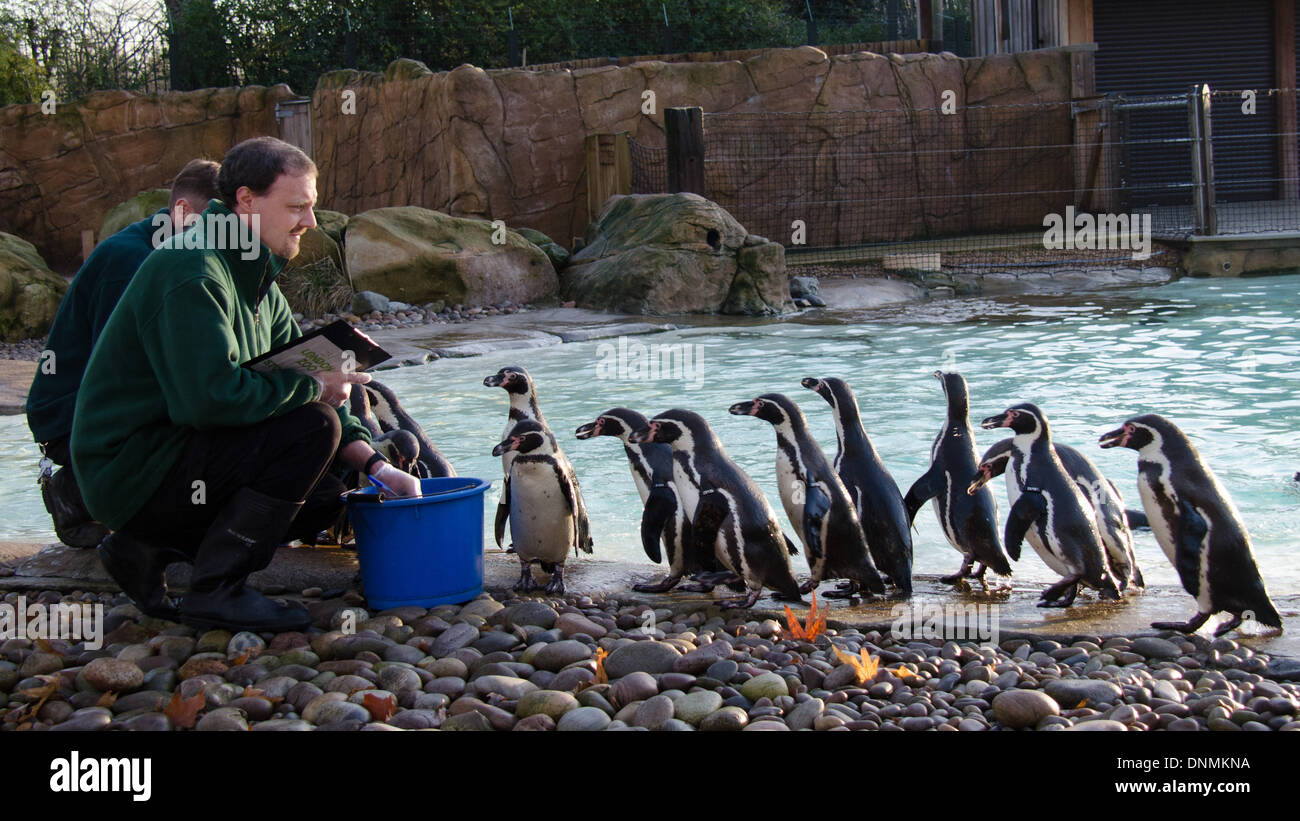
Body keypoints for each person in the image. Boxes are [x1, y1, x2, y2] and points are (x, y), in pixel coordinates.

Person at [71, 136, 420, 632]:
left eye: (312, 207)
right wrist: (317, 390)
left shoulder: (255, 278)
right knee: (312, 428)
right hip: (130, 472)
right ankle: (216, 591)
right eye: (296, 206)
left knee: (325, 493)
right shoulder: (192, 271)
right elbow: (210, 402)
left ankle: (144, 548)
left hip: (175, 458)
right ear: (246, 201)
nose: (311, 222)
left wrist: (380, 468)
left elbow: (299, 373)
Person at [26, 159, 222, 548]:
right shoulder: (130, 261)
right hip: (73, 418)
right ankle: (79, 490)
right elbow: (118, 374)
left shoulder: (179, 250)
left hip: (105, 405)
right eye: (213, 223)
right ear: (181, 212)